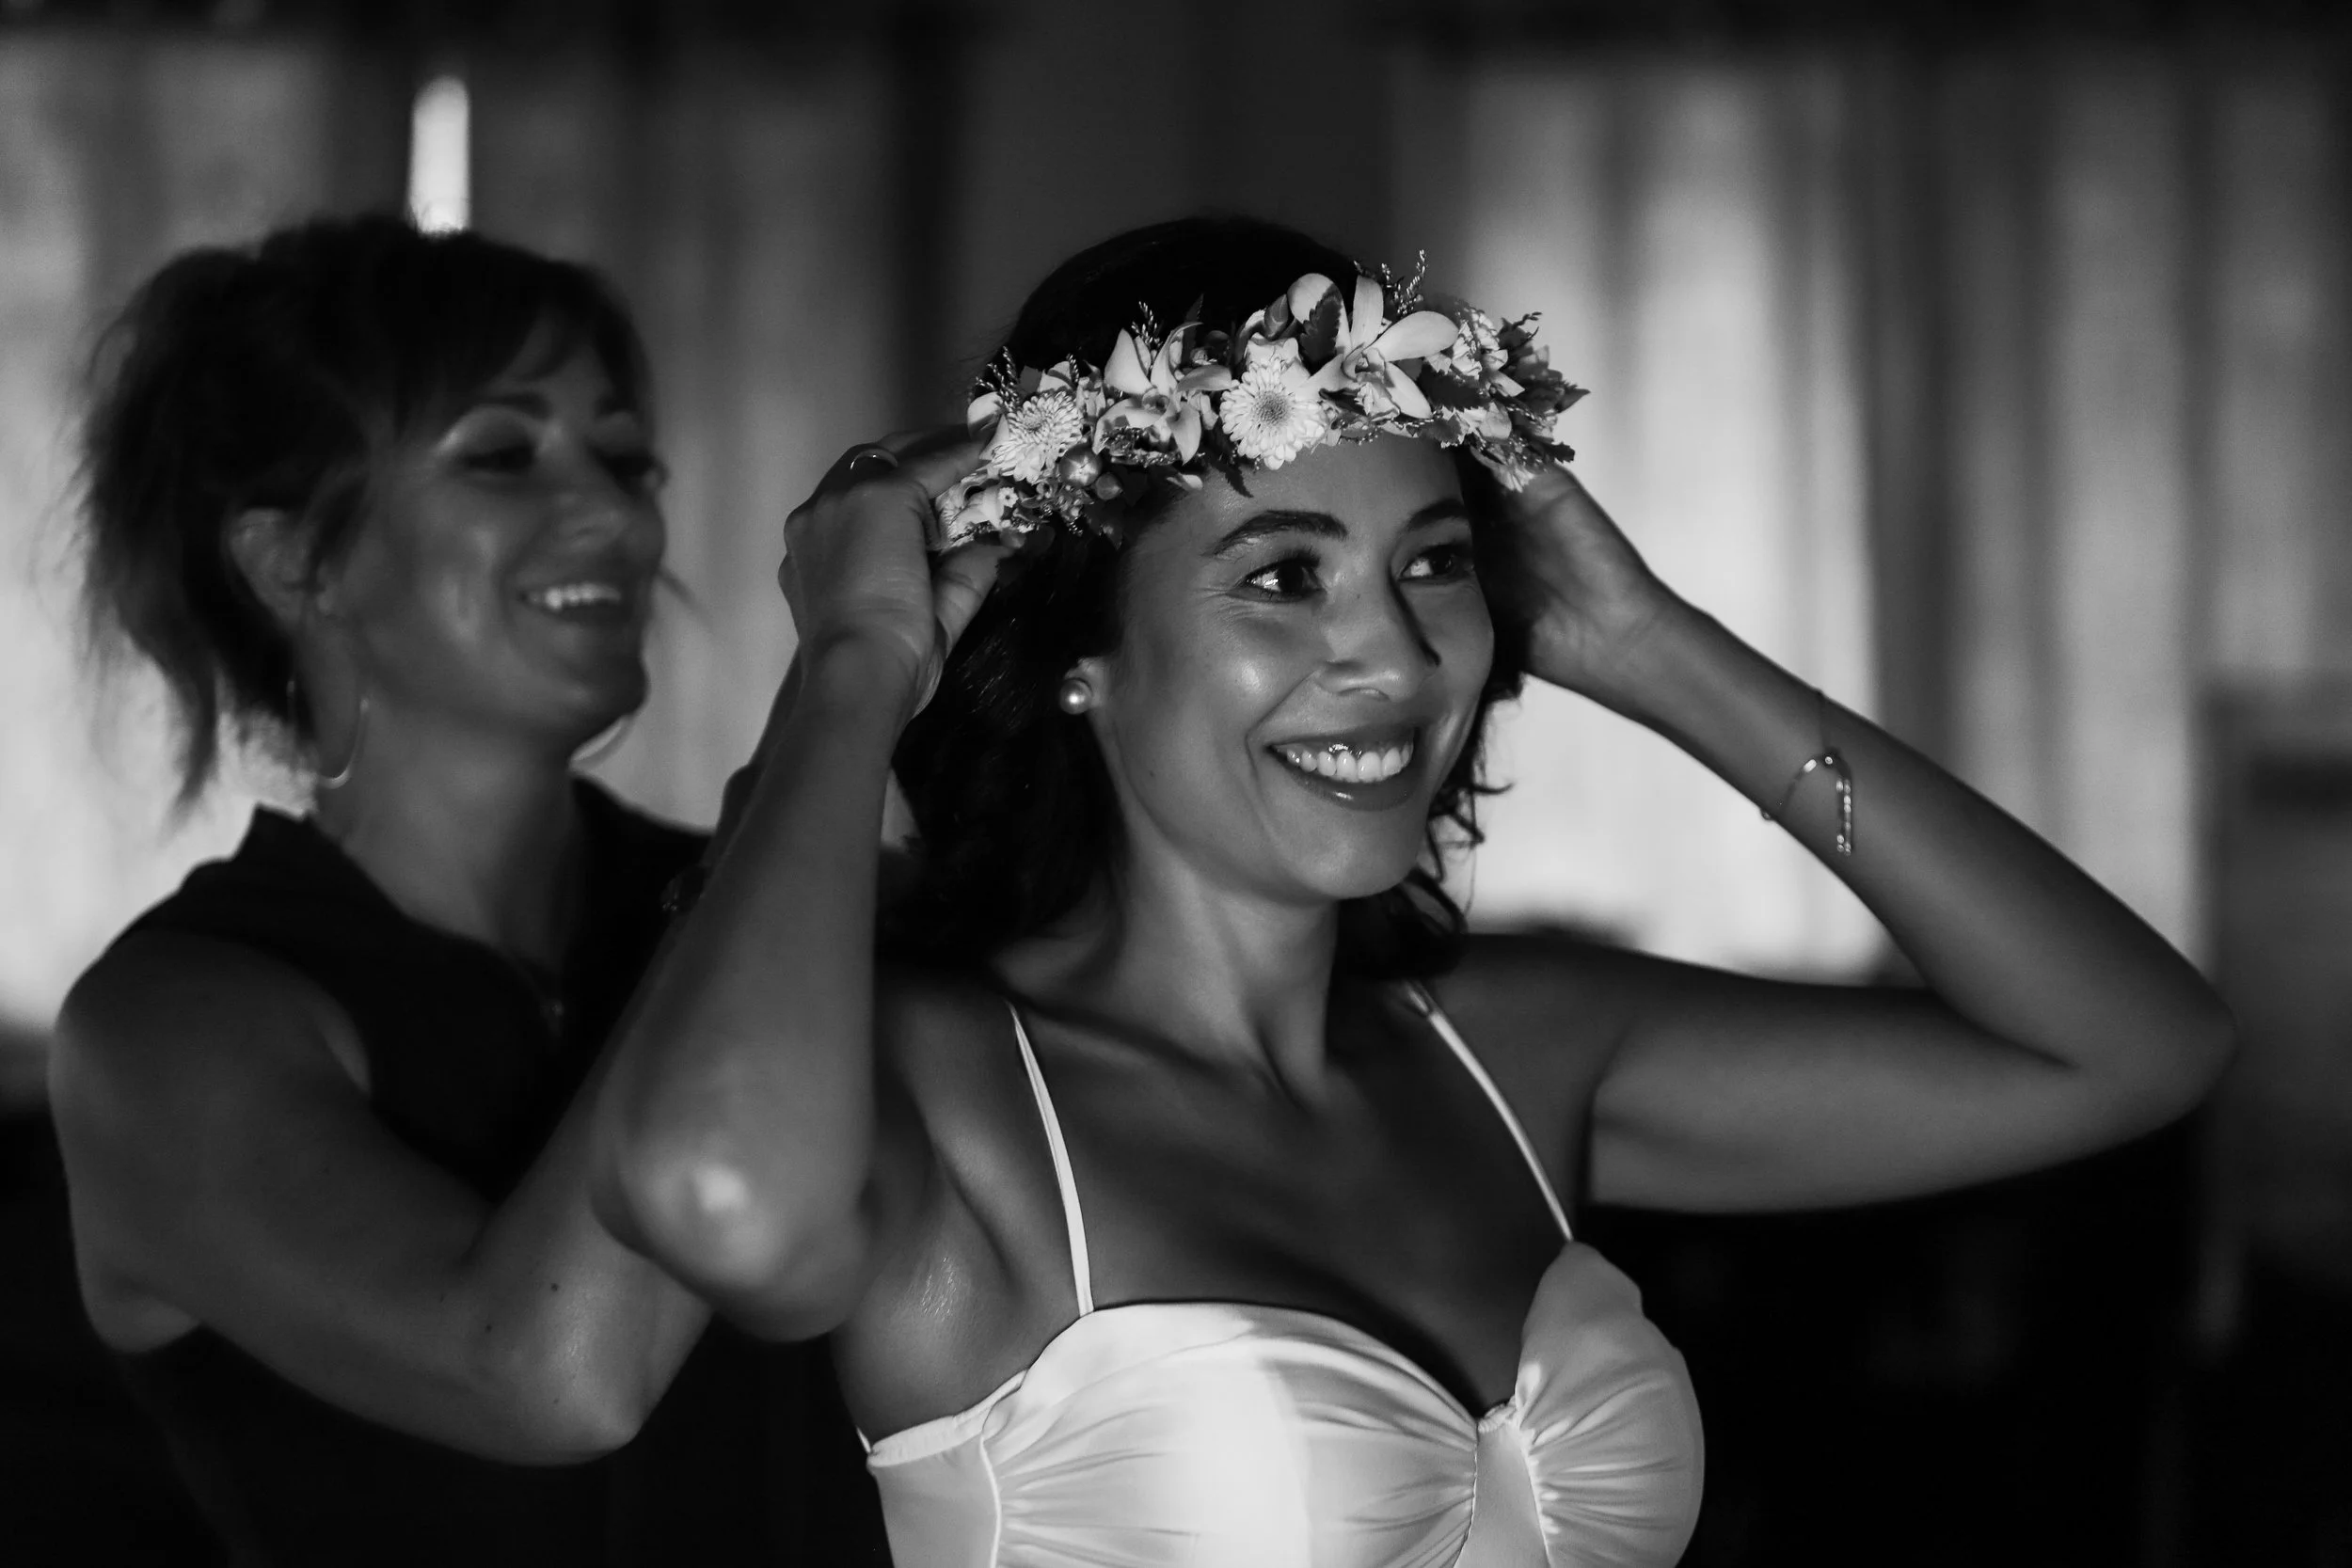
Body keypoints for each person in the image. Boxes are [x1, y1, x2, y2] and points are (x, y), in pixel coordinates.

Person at [591, 215, 2233, 1566]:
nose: (1387, 652)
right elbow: (714, 1199)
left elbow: (2135, 1047)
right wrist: (862, 663)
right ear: (1082, 656)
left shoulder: (1518, 1049)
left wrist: (1650, 649)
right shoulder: (950, 1088)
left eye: (1433, 564)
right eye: (1283, 576)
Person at [48, 215, 886, 1566]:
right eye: (503, 454)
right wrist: (847, 694)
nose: (615, 514)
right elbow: (545, 1373)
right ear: (292, 563)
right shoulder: (171, 1024)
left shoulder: (756, 899)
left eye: (627, 458)